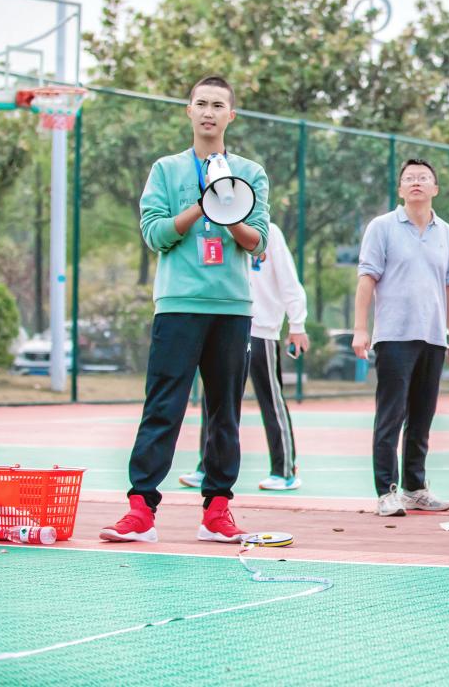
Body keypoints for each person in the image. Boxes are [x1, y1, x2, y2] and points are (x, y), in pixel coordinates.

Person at [101, 76, 269, 544]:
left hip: (232, 309)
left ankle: (216, 511)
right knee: (163, 406)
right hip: (177, 306)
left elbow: (258, 242)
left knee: (224, 413)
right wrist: (201, 205)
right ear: (189, 111)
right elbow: (155, 235)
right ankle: (141, 511)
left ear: (231, 115)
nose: (209, 112)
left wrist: (228, 209)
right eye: (201, 104)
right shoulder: (165, 169)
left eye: (218, 105)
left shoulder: (251, 173)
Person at [353, 158, 449, 516]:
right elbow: (366, 279)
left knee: (422, 417)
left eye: (423, 178)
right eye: (409, 178)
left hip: (433, 338)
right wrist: (360, 329)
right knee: (391, 416)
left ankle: (415, 488)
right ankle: (387, 491)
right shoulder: (382, 227)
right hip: (394, 336)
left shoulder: (447, 234)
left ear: (435, 189)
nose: (416, 182)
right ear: (400, 189)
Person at [179, 221, 309, 491]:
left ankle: (284, 470)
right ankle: (206, 467)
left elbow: (288, 281)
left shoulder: (269, 232)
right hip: (225, 325)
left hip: (261, 328)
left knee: (270, 399)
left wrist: (297, 324)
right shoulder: (213, 227)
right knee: (214, 399)